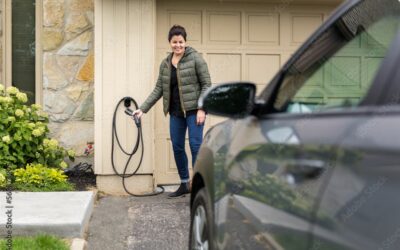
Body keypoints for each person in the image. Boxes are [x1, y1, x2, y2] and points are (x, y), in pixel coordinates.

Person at [133, 25, 211, 198]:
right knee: (177, 146)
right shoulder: (166, 64)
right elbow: (158, 89)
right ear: (170, 42)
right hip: (176, 112)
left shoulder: (196, 59)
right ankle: (184, 183)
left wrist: (202, 109)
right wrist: (142, 109)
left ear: (185, 41)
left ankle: (198, 185)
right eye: (174, 42)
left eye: (181, 42)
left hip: (194, 111)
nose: (178, 45)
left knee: (195, 146)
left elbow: (206, 84)